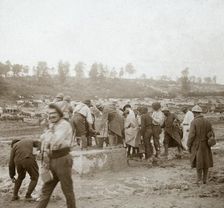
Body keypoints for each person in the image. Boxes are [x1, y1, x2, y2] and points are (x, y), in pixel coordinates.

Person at [36, 103, 76, 208]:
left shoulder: (64, 125)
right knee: (46, 188)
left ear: (59, 113)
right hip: (50, 159)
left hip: (62, 159)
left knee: (67, 189)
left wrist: (46, 133)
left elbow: (54, 141)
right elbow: (43, 140)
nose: (51, 116)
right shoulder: (53, 125)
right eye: (48, 113)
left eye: (53, 113)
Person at [187, 105, 214, 185]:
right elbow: (212, 134)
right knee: (206, 162)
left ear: (194, 113)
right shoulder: (207, 121)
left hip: (197, 145)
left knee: (198, 162)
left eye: (193, 113)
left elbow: (191, 135)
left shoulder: (194, 122)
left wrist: (188, 144)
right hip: (206, 145)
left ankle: (199, 179)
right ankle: (205, 179)